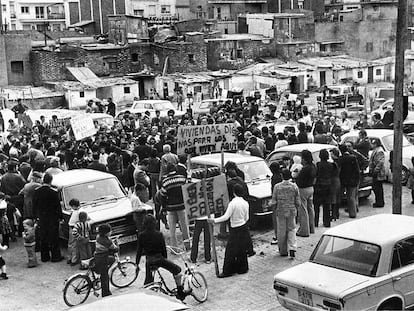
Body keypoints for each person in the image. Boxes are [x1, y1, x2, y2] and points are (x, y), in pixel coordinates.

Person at [136, 214, 188, 301]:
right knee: (177, 270)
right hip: (159, 259)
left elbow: (139, 251)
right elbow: (164, 250)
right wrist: (165, 261)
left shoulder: (141, 235)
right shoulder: (159, 234)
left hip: (149, 261)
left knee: (148, 281)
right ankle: (180, 292)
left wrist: (137, 264)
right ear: (154, 223)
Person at [208, 184, 250, 278]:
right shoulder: (245, 203)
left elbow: (226, 217)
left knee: (230, 251)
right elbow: (247, 218)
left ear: (234, 192)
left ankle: (228, 271)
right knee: (241, 249)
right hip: (243, 227)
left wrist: (214, 220)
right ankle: (242, 268)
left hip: (235, 228)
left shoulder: (232, 203)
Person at [33, 173, 64, 262]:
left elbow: (34, 205)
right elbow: (57, 206)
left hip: (42, 217)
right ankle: (55, 256)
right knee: (54, 237)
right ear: (51, 181)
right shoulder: (53, 192)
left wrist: (35, 216)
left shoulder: (37, 191)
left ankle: (45, 257)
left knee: (43, 237)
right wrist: (60, 217)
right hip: (52, 218)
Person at [271, 169, 300, 258]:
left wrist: (274, 210)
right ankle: (292, 247)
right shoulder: (294, 186)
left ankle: (283, 250)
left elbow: (274, 201)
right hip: (291, 211)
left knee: (281, 231)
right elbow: (298, 201)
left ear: (282, 176)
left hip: (281, 211)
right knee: (291, 229)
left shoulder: (277, 187)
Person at [160, 164, 190, 250]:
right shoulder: (182, 178)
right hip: (182, 206)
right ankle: (187, 246)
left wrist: (164, 208)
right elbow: (187, 190)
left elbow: (163, 196)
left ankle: (174, 248)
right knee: (184, 227)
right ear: (175, 169)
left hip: (171, 208)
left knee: (172, 230)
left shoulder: (165, 181)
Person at [296, 150, 316, 237]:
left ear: (304, 159)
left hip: (303, 189)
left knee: (303, 210)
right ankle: (311, 228)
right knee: (310, 208)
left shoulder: (305, 169)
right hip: (311, 188)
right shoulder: (313, 166)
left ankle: (304, 231)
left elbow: (299, 180)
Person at [94, 223, 118, 297]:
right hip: (103, 259)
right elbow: (115, 248)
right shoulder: (107, 241)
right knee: (104, 276)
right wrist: (116, 244)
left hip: (97, 256)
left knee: (103, 273)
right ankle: (106, 293)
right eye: (110, 231)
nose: (111, 232)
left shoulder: (98, 237)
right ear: (107, 233)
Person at [314, 149, 336, 228]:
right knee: (327, 205)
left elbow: (316, 175)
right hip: (328, 185)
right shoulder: (331, 165)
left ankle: (315, 222)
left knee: (316, 205)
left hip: (319, 185)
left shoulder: (318, 164)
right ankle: (326, 222)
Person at [339, 144, 360, 218]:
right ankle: (353, 213)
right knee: (352, 197)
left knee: (342, 196)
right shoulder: (353, 158)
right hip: (353, 180)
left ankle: (336, 212)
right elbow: (357, 170)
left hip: (344, 180)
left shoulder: (341, 159)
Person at [369, 138, 386, 208]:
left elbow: (380, 162)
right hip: (375, 171)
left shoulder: (379, 151)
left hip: (378, 173)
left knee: (378, 188)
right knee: (377, 188)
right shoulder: (376, 150)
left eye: (372, 144)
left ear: (375, 144)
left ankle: (380, 202)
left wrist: (375, 171)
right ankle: (378, 201)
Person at [270, 162, 282, 245]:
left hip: (276, 201)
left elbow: (274, 190)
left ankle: (278, 236)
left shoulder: (274, 178)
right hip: (281, 200)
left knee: (275, 219)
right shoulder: (280, 176)